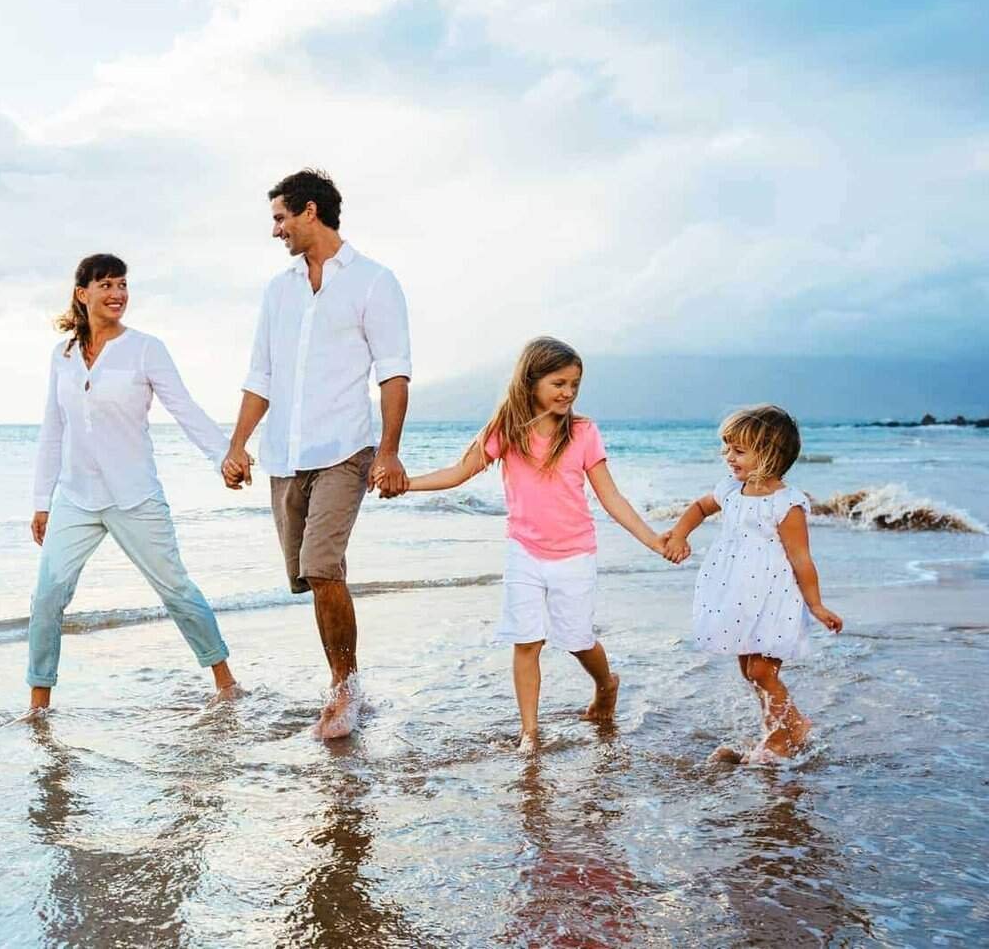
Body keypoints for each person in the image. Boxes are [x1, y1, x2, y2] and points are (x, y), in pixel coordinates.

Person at [221, 169, 412, 739]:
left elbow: (394, 372)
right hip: (285, 455)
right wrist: (238, 445)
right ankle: (341, 675)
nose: (276, 230)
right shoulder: (277, 291)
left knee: (322, 565)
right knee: (305, 577)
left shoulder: (374, 282)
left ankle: (344, 688)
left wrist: (390, 451)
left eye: (280, 218)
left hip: (344, 449)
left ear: (309, 212)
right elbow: (262, 375)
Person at [405, 337, 666, 752]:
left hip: (575, 552)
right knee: (526, 641)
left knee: (578, 639)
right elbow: (459, 472)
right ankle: (530, 733)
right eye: (559, 383)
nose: (568, 392)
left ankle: (605, 683)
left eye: (574, 385)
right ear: (530, 381)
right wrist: (407, 484)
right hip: (524, 550)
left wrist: (653, 539)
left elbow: (610, 496)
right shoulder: (505, 430)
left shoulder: (582, 432)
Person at [26, 253, 238, 714]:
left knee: (176, 590)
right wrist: (42, 501)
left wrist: (224, 455)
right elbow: (52, 429)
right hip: (76, 499)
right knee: (47, 597)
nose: (117, 293)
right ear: (83, 294)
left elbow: (184, 407)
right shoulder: (62, 355)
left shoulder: (145, 348)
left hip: (134, 495)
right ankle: (39, 704)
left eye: (122, 284)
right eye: (106, 285)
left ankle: (225, 681)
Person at [661, 404, 843, 762]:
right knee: (749, 669)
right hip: (737, 594)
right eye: (727, 448)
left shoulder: (786, 504)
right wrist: (680, 535)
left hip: (772, 598)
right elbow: (699, 507)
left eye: (738, 450)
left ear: (770, 454)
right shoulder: (731, 490)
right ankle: (774, 727)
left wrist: (816, 605)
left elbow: (802, 559)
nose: (728, 457)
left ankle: (791, 728)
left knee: (762, 669)